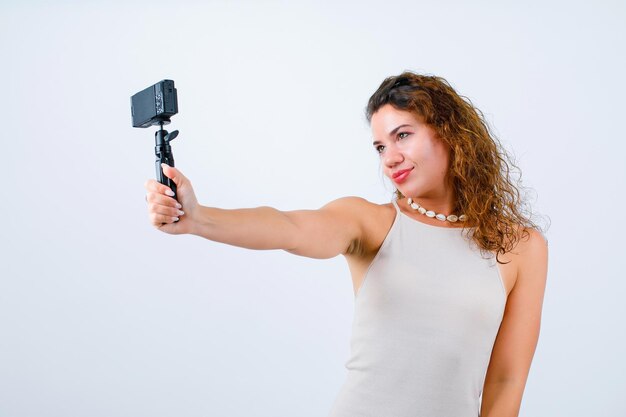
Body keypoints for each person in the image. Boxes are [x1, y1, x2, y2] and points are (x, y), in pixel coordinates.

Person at [144, 71, 549, 417]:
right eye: (380, 147)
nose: (390, 158)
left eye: (402, 136)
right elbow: (290, 227)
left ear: (451, 134)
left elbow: (506, 377)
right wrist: (201, 219)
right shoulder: (371, 222)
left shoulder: (521, 247)